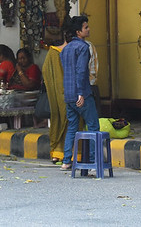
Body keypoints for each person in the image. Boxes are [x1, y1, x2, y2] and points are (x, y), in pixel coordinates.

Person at [60, 15, 100, 171]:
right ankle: (91, 163)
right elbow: (81, 71)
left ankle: (66, 161)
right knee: (93, 126)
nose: (88, 29)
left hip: (68, 94)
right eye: (86, 27)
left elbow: (68, 71)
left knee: (72, 127)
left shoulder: (65, 49)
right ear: (78, 32)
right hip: (80, 93)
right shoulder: (83, 47)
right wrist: (81, 93)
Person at [43, 34, 69, 163]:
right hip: (73, 94)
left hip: (61, 96)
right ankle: (72, 156)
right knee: (70, 123)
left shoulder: (52, 54)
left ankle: (59, 155)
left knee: (62, 121)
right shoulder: (55, 53)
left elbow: (46, 73)